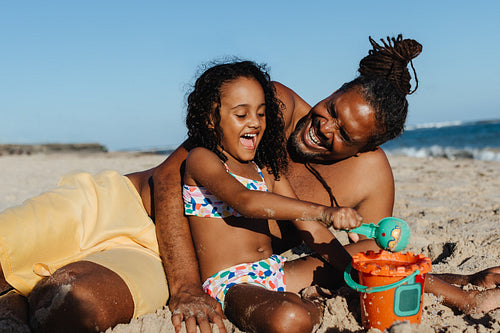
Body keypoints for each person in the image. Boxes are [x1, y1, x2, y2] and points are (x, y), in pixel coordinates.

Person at [0, 35, 498, 333]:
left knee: (68, 306)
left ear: (368, 147)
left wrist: (451, 284)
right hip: (129, 206)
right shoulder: (271, 108)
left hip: (172, 256)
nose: (322, 127)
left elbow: (360, 261)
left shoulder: (371, 178)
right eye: (329, 109)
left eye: (344, 134)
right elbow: (175, 178)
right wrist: (187, 287)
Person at [181, 60, 364, 333]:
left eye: (261, 113)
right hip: (233, 284)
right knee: (290, 319)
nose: (254, 122)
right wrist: (325, 212)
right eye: (242, 115)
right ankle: (315, 303)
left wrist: (352, 273)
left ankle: (318, 294)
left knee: (367, 254)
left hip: (275, 272)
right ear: (210, 120)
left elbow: (307, 226)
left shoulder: (264, 167)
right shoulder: (202, 160)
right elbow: (246, 202)